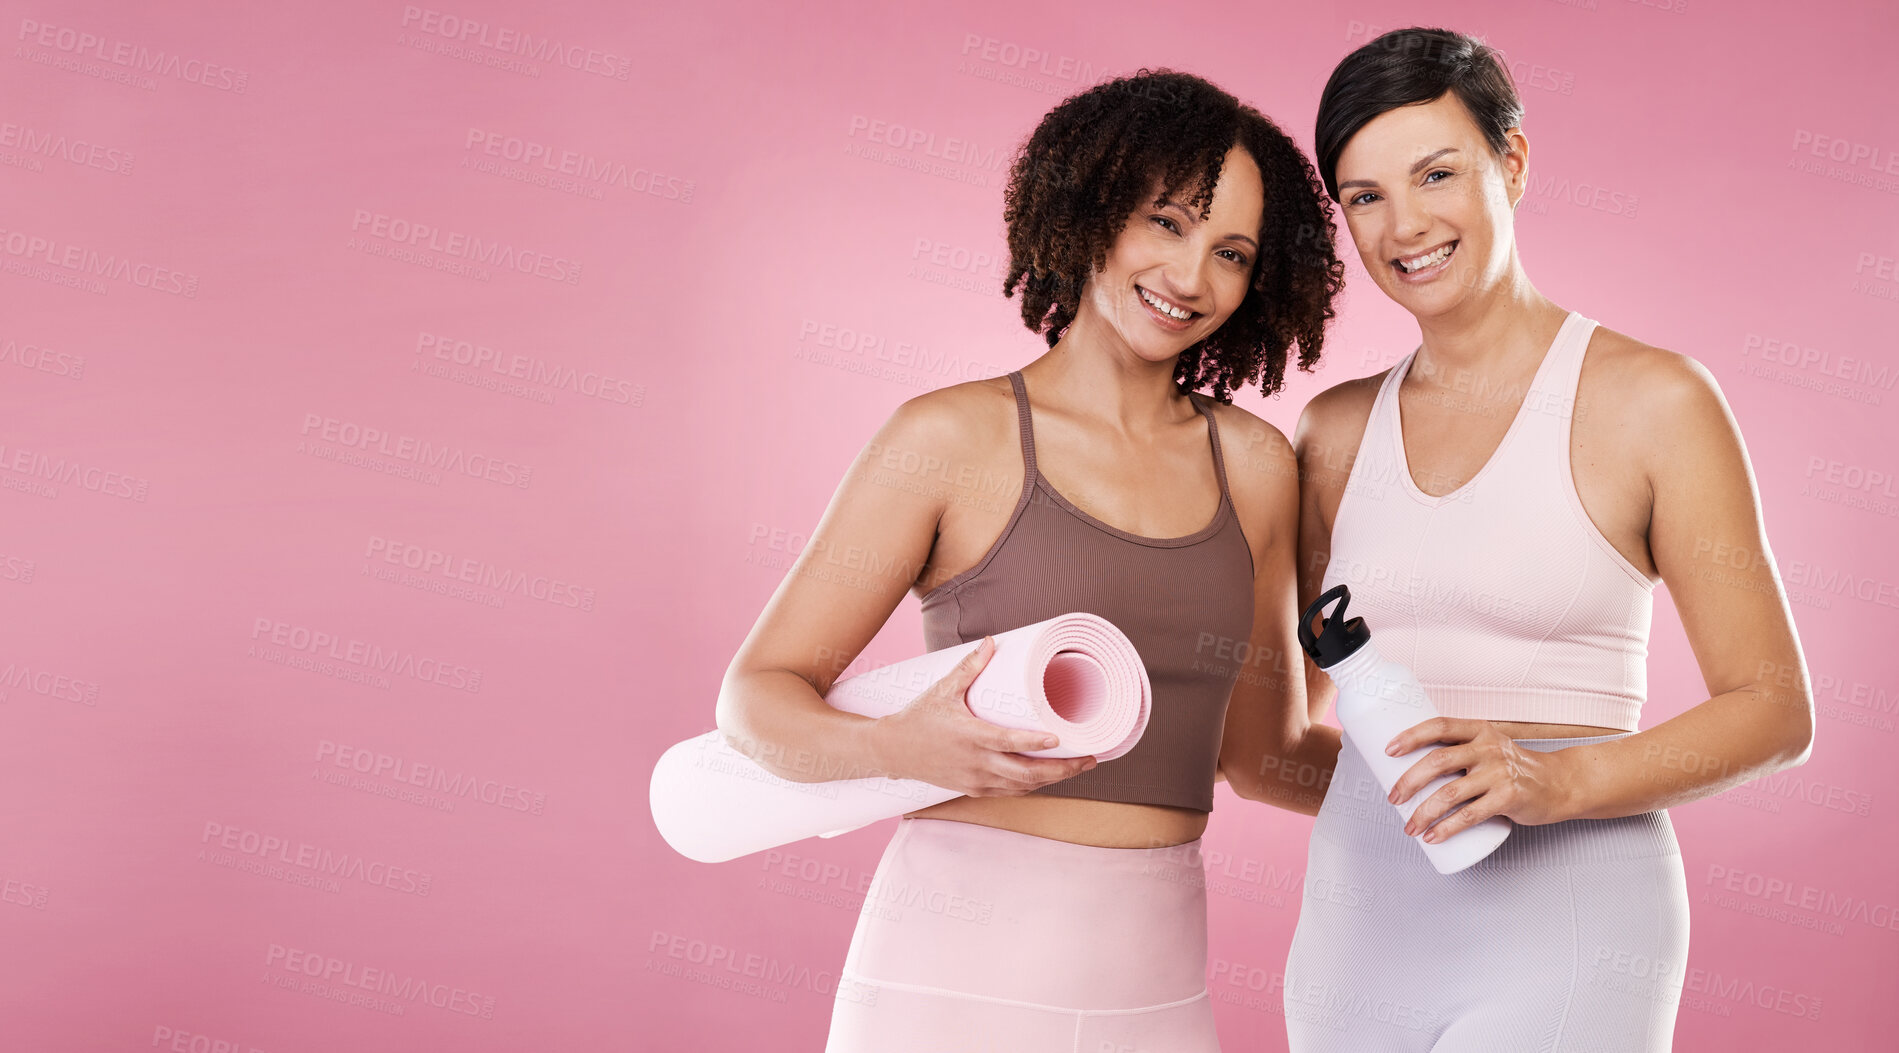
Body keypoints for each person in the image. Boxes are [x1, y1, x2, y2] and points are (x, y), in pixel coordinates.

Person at [715, 68, 1344, 1051]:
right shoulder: (952, 438)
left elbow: (1265, 758)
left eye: (1230, 251)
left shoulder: (1258, 467)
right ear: (1090, 209)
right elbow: (758, 695)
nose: (1190, 278)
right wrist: (895, 749)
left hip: (1159, 993)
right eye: (1168, 223)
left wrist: (1495, 788)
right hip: (945, 987)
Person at [1280, 27, 1816, 1052]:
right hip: (1360, 923)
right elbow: (1295, 721)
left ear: (1512, 161)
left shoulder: (1655, 400)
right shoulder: (1334, 431)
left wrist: (1555, 780)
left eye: (1437, 173)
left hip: (1578, 910)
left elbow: (1775, 711)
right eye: (1365, 196)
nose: (1405, 225)